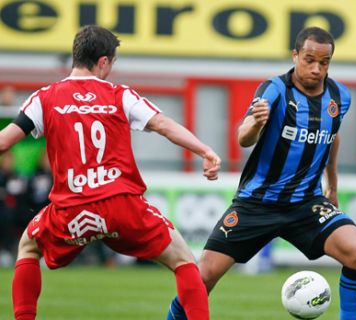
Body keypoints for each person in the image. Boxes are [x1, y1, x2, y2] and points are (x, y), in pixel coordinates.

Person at [4, 25, 221, 320]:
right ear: (104, 61)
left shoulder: (44, 97)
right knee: (184, 261)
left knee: (28, 248)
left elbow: (5, 141)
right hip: (122, 206)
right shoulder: (120, 95)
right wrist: (205, 151)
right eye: (112, 62)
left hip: (72, 210)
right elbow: (163, 125)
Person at [167, 26, 356, 320]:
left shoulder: (340, 96)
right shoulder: (274, 89)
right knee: (202, 278)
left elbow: (332, 136)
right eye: (309, 60)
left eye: (323, 63)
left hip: (306, 204)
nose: (316, 69)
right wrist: (256, 123)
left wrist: (333, 186)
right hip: (257, 203)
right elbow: (243, 137)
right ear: (295, 55)